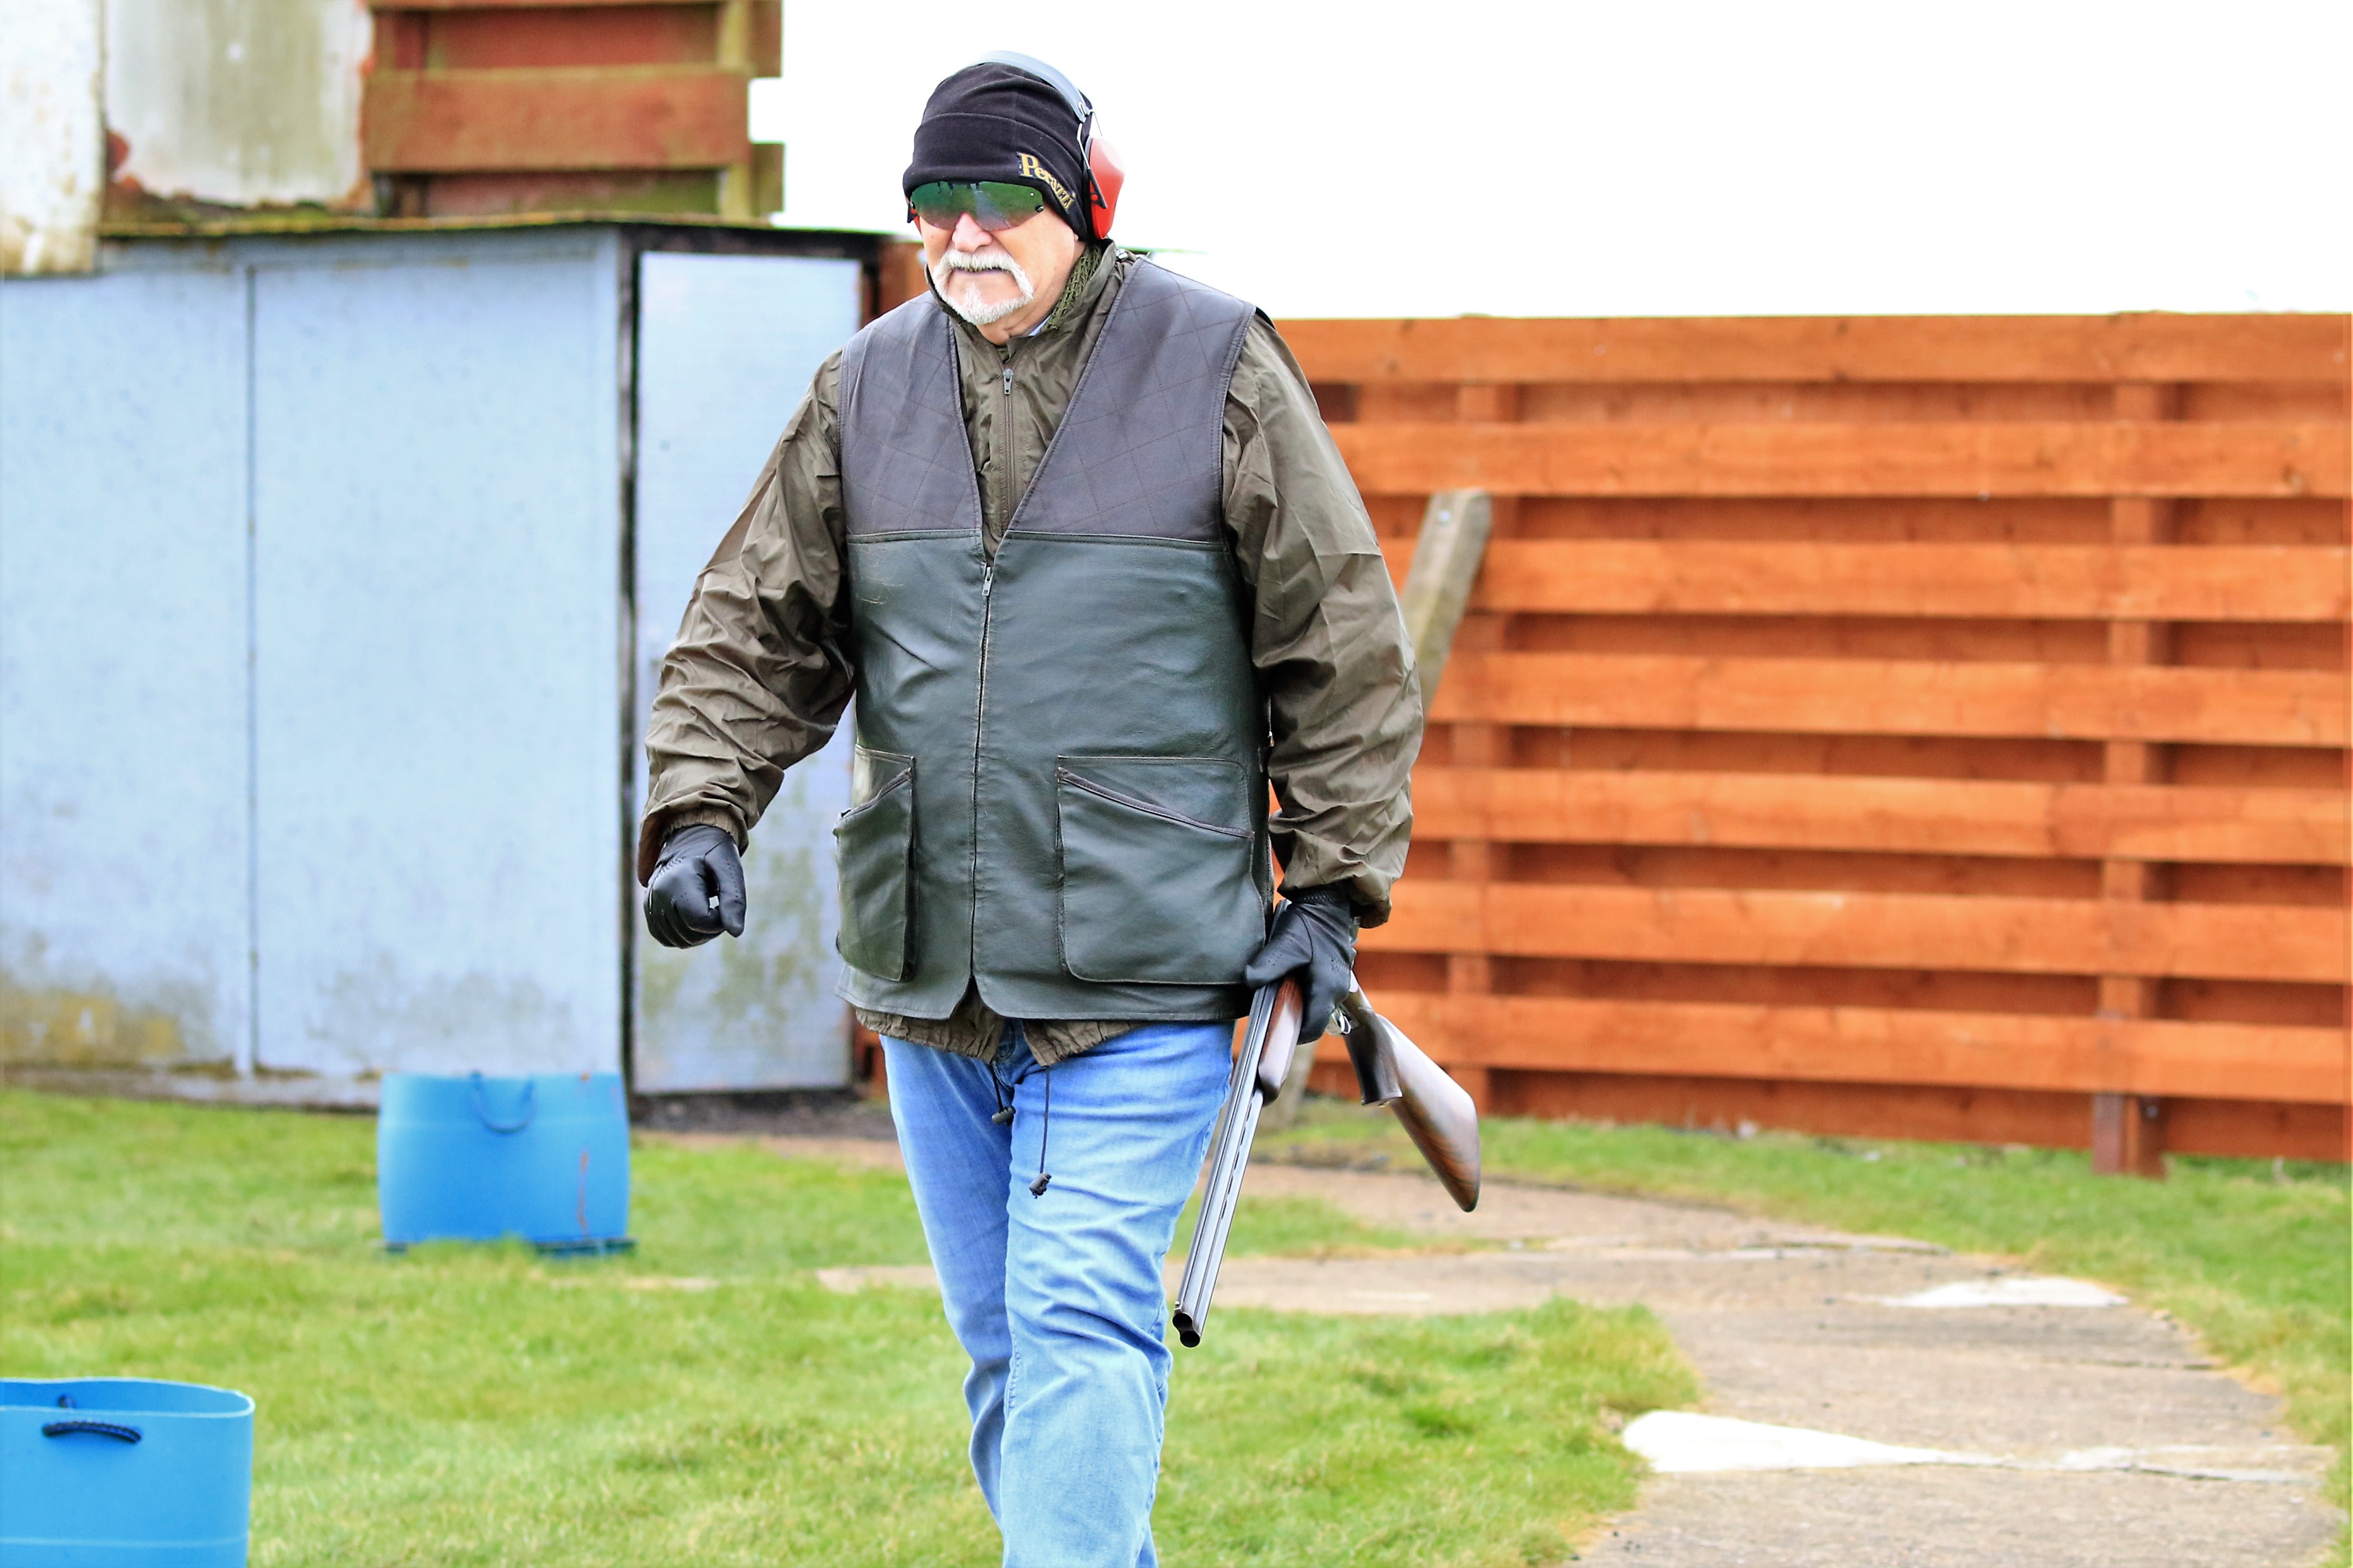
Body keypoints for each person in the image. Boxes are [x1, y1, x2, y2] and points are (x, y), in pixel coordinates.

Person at [636, 53, 1421, 1568]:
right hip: (932, 971)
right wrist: (700, 816)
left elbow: (1340, 643)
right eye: (931, 204)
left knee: (1077, 1322)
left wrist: (1329, 897)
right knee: (1010, 1350)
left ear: (1084, 203)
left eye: (997, 199)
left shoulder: (1215, 362)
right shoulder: (863, 386)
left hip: (1145, 969)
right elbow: (751, 627)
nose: (961, 234)